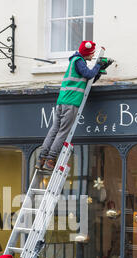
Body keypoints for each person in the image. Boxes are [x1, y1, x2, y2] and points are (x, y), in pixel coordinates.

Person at [36, 40, 107, 171]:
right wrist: (98, 65)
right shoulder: (79, 61)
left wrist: (100, 70)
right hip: (71, 103)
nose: (92, 56)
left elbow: (87, 80)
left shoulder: (75, 62)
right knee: (63, 132)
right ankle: (51, 160)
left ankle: (42, 158)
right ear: (86, 53)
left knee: (54, 130)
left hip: (62, 102)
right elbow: (88, 74)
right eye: (91, 54)